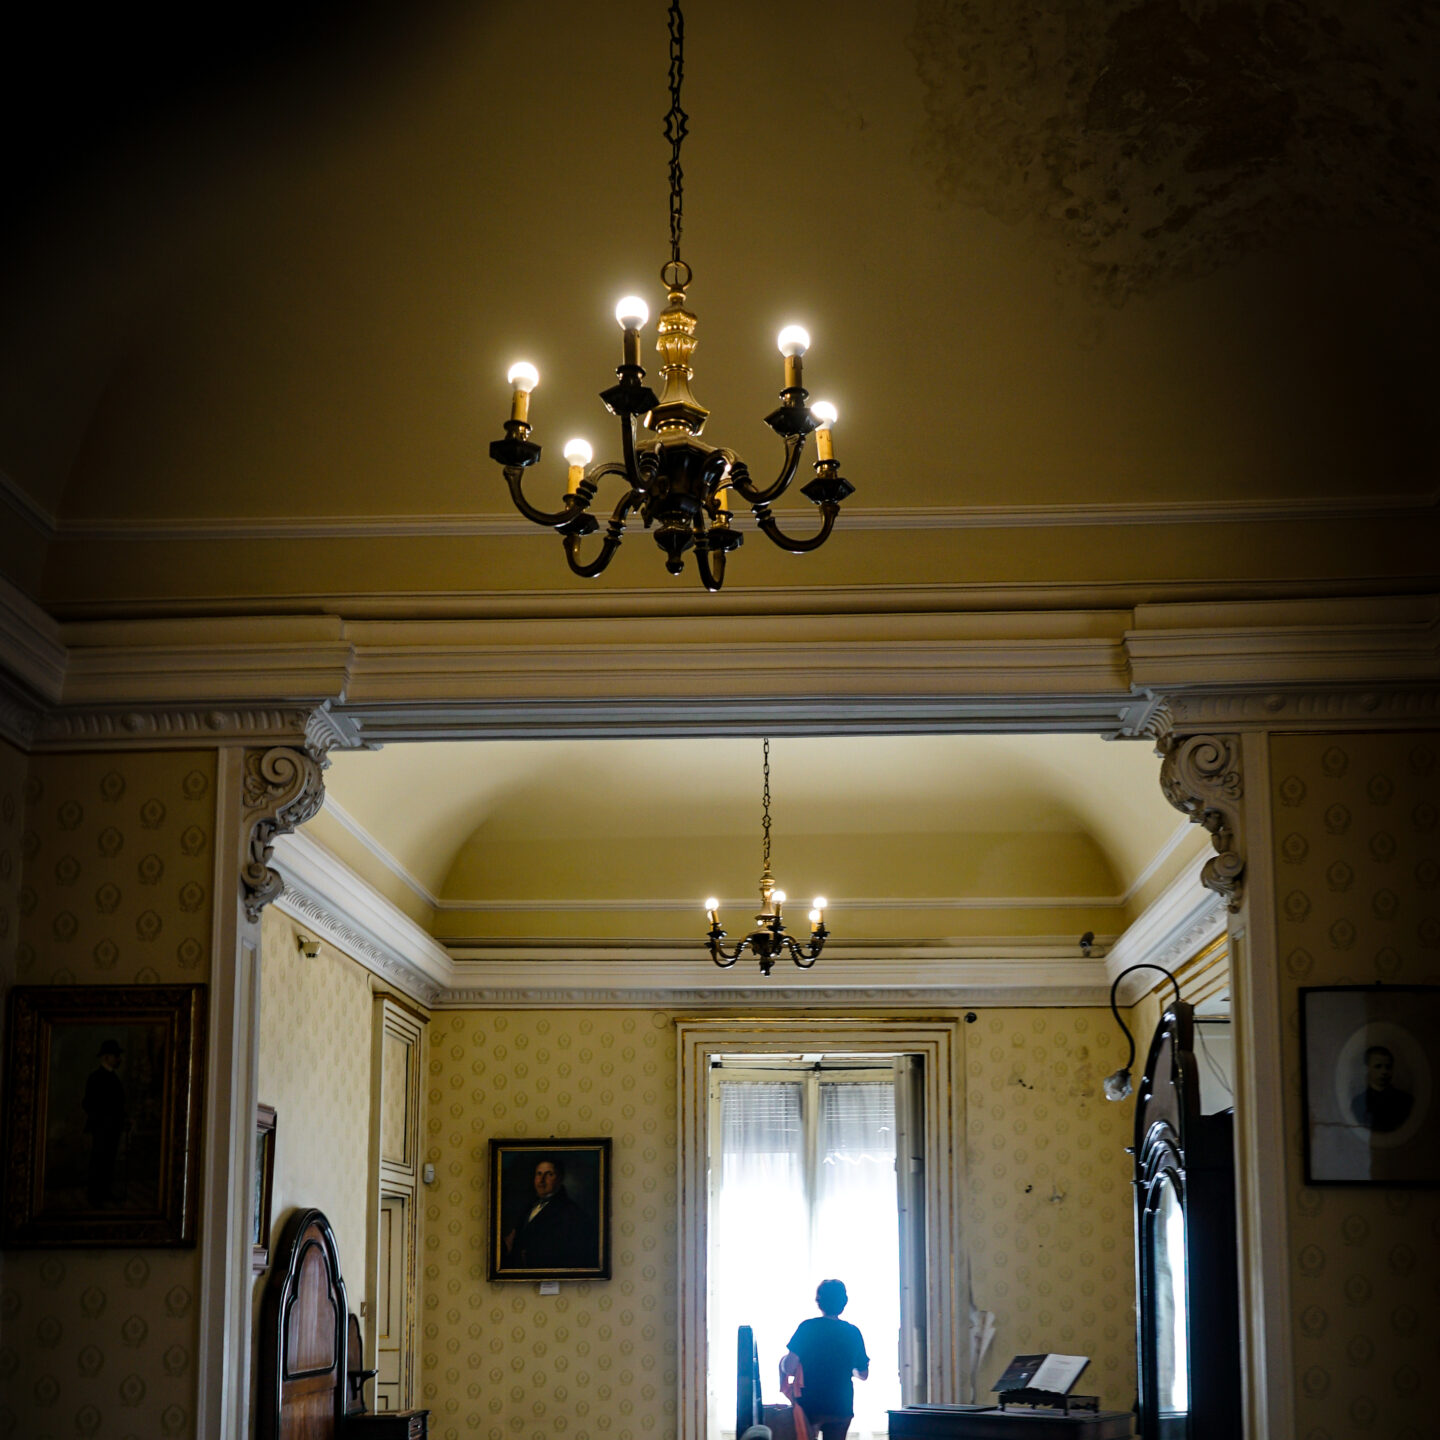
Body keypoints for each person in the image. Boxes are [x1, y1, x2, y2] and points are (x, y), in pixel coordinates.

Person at [783, 1278, 870, 1440]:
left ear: (819, 1302)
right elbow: (863, 1374)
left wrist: (782, 1363)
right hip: (840, 1404)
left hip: (810, 1403)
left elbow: (789, 1367)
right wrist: (848, 1367)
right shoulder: (853, 1332)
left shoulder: (807, 1327)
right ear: (844, 1302)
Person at [503, 1156, 593, 1268]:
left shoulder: (571, 1213)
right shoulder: (528, 1207)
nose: (541, 1180)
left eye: (549, 1174)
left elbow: (571, 1253)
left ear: (560, 1179)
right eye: (539, 1174)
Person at [83, 1039, 128, 1206]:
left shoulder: (114, 1079)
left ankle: (104, 1191)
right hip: (101, 1127)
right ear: (107, 1057)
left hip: (113, 1127)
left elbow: (119, 1103)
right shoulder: (95, 1078)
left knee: (109, 1160)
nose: (119, 1059)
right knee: (98, 1160)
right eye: (116, 1056)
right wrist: (101, 1118)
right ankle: (95, 1195)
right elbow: (88, 1103)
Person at [1351, 1044, 1413, 1133]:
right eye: (1378, 1066)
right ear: (1367, 1069)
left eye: (1388, 1067)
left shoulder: (1407, 1101)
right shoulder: (1357, 1103)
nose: (1384, 1072)